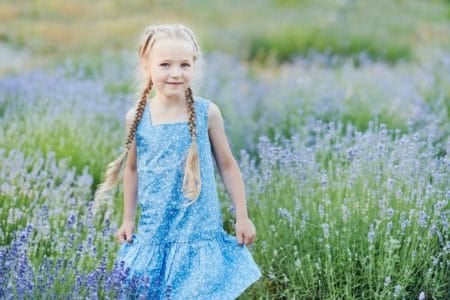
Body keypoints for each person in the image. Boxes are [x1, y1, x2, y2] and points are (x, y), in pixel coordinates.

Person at [93, 23, 262, 299]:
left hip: (198, 230)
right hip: (155, 230)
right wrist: (127, 220)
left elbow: (228, 165)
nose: (175, 73)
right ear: (146, 67)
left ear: (194, 66)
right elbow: (132, 170)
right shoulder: (137, 117)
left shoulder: (208, 113)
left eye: (184, 64)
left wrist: (241, 216)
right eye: (165, 65)